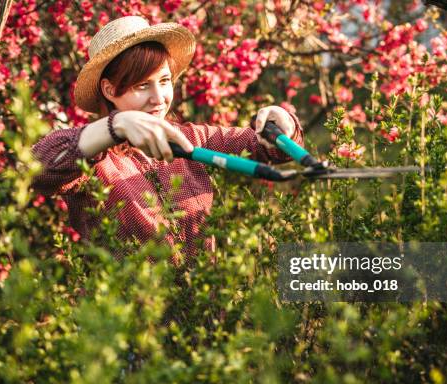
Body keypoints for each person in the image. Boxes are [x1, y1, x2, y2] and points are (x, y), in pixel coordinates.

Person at [31, 16, 305, 262]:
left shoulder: (191, 138)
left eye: (164, 81)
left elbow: (269, 149)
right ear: (109, 89)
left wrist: (283, 126)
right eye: (142, 85)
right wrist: (115, 126)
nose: (159, 98)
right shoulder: (96, 162)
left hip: (205, 312)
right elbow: (37, 170)